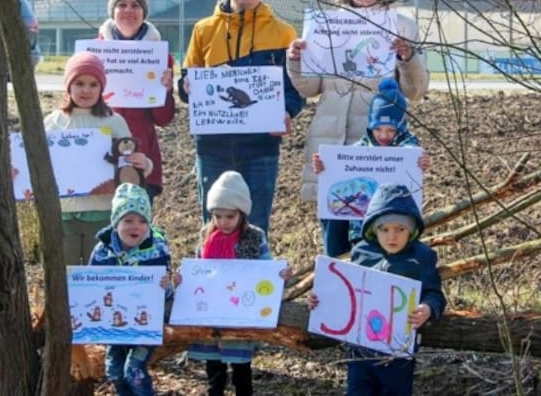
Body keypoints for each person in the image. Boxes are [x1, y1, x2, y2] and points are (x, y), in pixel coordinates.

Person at [286, 0, 429, 244]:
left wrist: (407, 57)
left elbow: (415, 91)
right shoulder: (326, 25)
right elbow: (309, 88)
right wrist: (296, 60)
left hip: (379, 153)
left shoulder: (401, 27)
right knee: (335, 242)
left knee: (377, 241)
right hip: (332, 151)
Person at [177, 0, 305, 235]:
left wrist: (288, 111)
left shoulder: (284, 33)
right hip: (213, 146)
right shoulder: (203, 30)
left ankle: (254, 278)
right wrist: (185, 86)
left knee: (256, 226)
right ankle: (213, 277)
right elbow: (187, 82)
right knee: (212, 225)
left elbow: (296, 88)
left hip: (260, 147)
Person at [308, 183, 446, 395]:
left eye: (400, 229)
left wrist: (427, 308)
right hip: (359, 348)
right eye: (385, 229)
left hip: (398, 350)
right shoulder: (361, 252)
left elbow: (434, 294)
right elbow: (345, 291)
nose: (392, 236)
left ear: (411, 230)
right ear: (373, 229)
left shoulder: (421, 256)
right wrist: (320, 300)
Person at [178, 171, 289, 396]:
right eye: (217, 216)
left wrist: (280, 276)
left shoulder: (254, 238)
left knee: (240, 366)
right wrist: (183, 279)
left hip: (241, 312)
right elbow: (198, 269)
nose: (223, 222)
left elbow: (265, 268)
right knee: (214, 366)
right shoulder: (206, 237)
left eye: (229, 216)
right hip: (211, 311)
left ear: (242, 214)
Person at [44, 51, 153, 266]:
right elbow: (37, 166)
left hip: (102, 213)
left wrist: (144, 165)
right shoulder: (52, 123)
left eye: (94, 84)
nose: (86, 90)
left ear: (102, 88)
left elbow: (128, 163)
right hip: (63, 215)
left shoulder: (114, 122)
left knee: (100, 275)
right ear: (68, 86)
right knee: (65, 275)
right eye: (79, 83)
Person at [312, 77, 431, 257]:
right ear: (370, 126)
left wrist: (422, 162)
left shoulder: (408, 147)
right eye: (378, 129)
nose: (383, 135)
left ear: (401, 127)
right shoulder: (361, 148)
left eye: (391, 130)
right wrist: (325, 166)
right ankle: (334, 259)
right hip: (359, 228)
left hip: (392, 225)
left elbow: (412, 156)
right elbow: (340, 167)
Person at [89, 183, 173, 396]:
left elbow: (168, 290)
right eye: (128, 220)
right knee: (114, 371)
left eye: (142, 221)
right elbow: (91, 286)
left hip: (147, 321)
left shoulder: (158, 248)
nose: (135, 226)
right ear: (116, 222)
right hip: (114, 323)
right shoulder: (102, 250)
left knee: (133, 370)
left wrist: (166, 286)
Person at [99, 0, 175, 204]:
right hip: (102, 157)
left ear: (144, 12)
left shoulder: (160, 56)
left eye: (135, 5)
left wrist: (166, 91)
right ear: (112, 11)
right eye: (121, 5)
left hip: (142, 156)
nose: (128, 10)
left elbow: (163, 119)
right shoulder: (93, 56)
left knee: (137, 231)